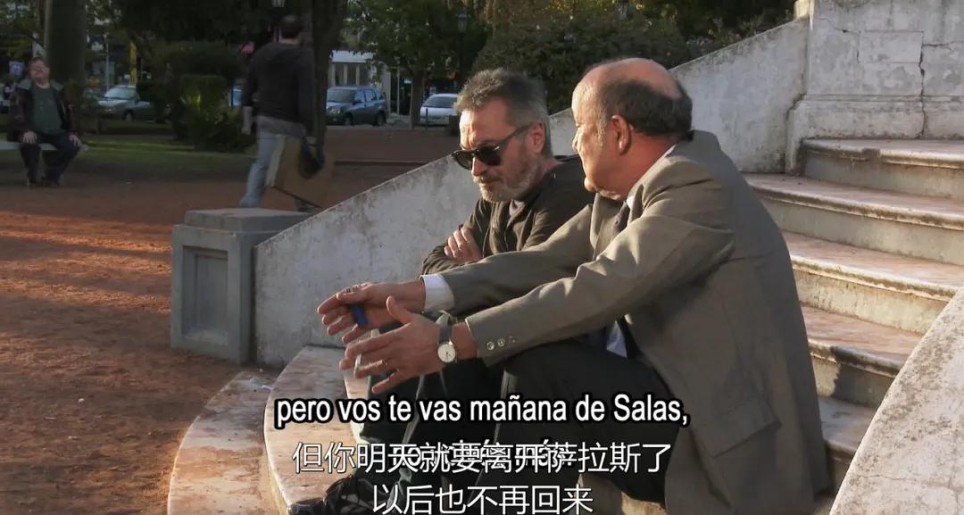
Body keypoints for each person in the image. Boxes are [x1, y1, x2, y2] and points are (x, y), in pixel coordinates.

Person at [318, 57, 829, 514]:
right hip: (660, 405)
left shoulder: (698, 187)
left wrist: (451, 344)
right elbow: (541, 263)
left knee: (536, 366)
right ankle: (397, 497)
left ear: (618, 133)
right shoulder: (624, 192)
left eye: (581, 128)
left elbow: (597, 289)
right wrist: (409, 295)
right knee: (475, 336)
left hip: (721, 445)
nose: (576, 144)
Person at [356, 67, 595, 453]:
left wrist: (478, 275)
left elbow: (528, 293)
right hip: (505, 349)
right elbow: (434, 261)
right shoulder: (500, 192)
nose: (477, 169)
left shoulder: (569, 192)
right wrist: (478, 272)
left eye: (487, 152)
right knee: (399, 320)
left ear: (535, 137)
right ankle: (375, 467)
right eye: (466, 156)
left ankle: (420, 478)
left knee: (449, 331)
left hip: (550, 362)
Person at [239, 14, 316, 210]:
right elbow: (305, 96)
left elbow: (248, 89)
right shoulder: (303, 58)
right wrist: (310, 129)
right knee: (299, 165)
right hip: (292, 121)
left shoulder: (263, 53)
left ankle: (251, 201)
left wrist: (246, 120)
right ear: (300, 34)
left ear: (280, 32)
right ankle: (303, 206)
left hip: (267, 118)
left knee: (262, 162)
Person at [7, 57, 82, 188]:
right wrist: (25, 130)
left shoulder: (59, 90)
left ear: (48, 70)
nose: (38, 69)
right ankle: (33, 176)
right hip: (32, 131)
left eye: (42, 67)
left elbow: (70, 111)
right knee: (29, 144)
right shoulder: (23, 89)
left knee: (72, 146)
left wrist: (73, 131)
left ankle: (51, 176)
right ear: (30, 72)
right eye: (34, 68)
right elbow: (16, 111)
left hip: (57, 132)